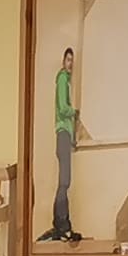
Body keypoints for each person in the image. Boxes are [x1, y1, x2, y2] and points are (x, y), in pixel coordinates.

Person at [46, 49, 83, 244]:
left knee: (65, 181)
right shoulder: (62, 79)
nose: (70, 64)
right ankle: (61, 222)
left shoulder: (66, 80)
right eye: (68, 60)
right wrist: (75, 112)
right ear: (63, 61)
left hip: (66, 135)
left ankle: (62, 222)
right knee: (64, 181)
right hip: (62, 133)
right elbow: (62, 107)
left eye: (72, 61)